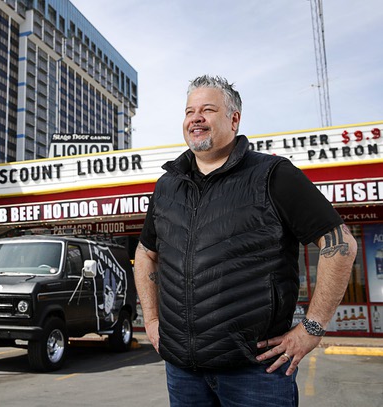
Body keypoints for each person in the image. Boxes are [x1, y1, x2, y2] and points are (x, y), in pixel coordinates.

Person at [134, 75, 357, 406]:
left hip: (257, 373)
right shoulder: (167, 187)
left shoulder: (273, 175)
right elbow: (145, 254)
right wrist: (151, 321)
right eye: (189, 111)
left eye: (208, 109)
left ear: (234, 118)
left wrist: (311, 328)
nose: (195, 118)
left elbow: (341, 246)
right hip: (182, 372)